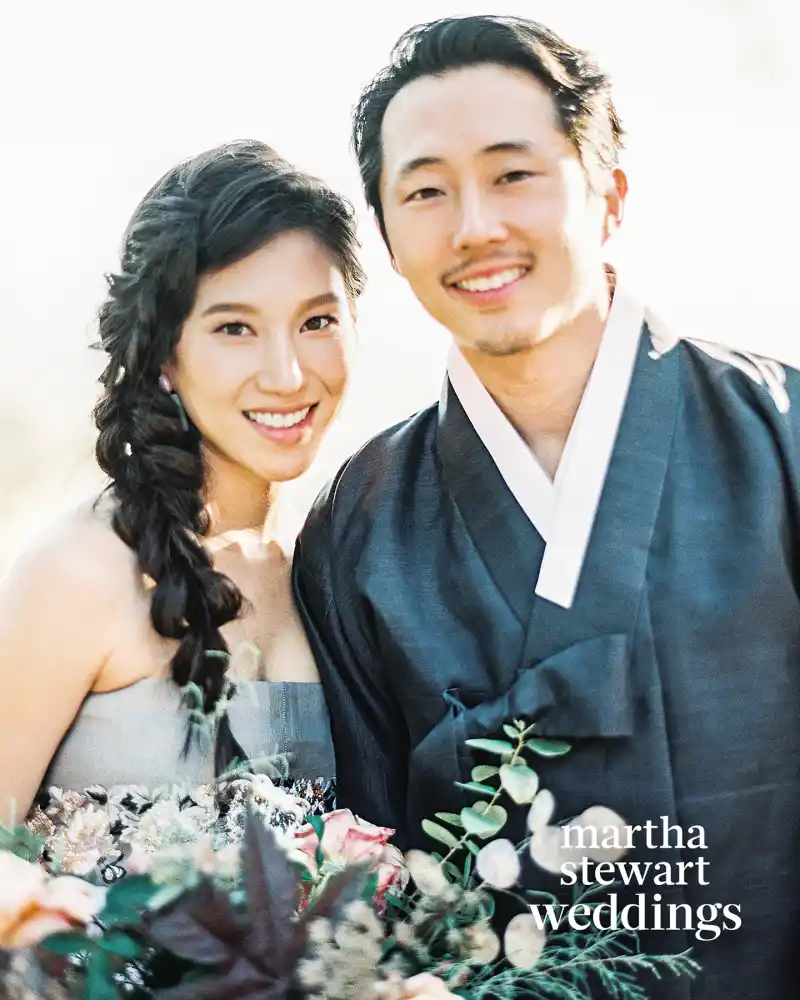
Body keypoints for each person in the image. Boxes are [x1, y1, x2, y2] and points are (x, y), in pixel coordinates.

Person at [292, 15, 800, 999]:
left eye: (512, 172)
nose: (473, 225)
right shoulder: (358, 529)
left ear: (607, 192)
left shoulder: (779, 437)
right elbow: (364, 870)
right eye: (425, 190)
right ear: (391, 240)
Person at [0, 140, 365, 846]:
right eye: (235, 328)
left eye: (317, 321)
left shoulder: (332, 564)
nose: (287, 374)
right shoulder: (82, 569)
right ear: (165, 354)